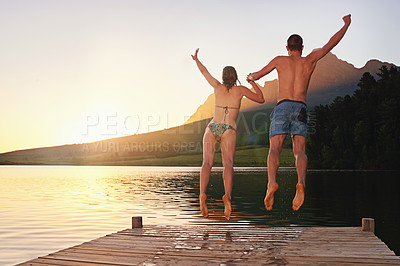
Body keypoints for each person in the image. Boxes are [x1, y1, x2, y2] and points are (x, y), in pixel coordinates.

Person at [247, 15, 352, 212]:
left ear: (287, 48)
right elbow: (332, 43)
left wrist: (250, 77)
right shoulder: (310, 60)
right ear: (302, 47)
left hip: (283, 106)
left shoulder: (279, 60)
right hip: (301, 108)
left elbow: (258, 75)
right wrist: (346, 24)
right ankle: (301, 183)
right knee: (299, 151)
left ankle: (271, 183)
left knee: (274, 149)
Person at [192, 48, 265, 220]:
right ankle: (227, 196)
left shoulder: (217, 86)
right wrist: (252, 82)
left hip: (212, 127)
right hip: (228, 129)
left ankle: (202, 194)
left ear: (224, 76)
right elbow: (261, 99)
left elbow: (204, 71)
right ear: (235, 76)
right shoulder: (240, 90)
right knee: (228, 164)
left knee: (207, 163)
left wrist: (196, 59)